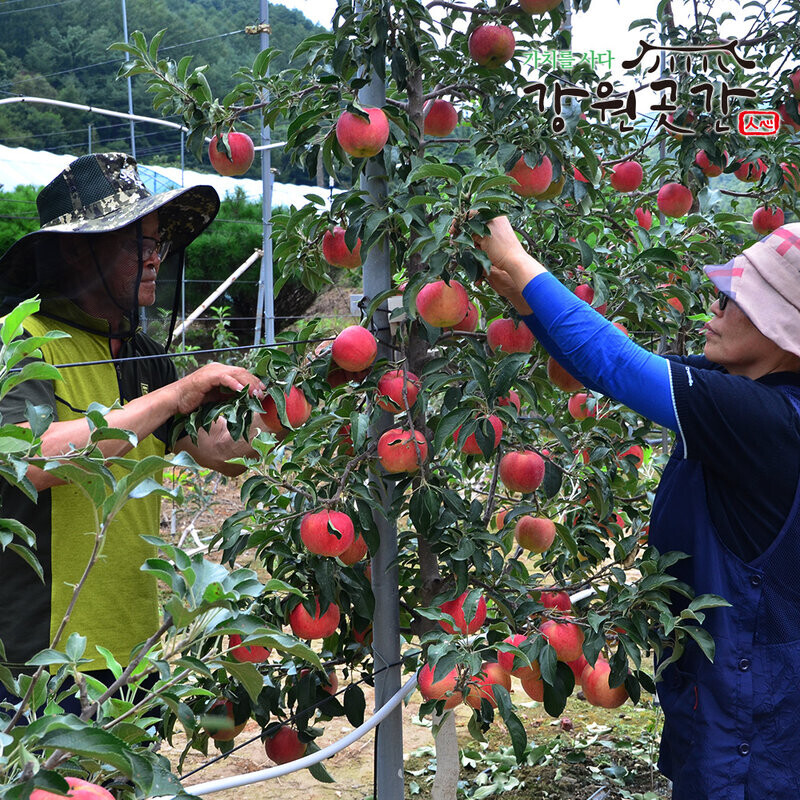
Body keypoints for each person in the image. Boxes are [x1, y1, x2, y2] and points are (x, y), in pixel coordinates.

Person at [473, 215, 800, 799]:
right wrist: (526, 301)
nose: (715, 310)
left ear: (783, 331)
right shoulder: (751, 400)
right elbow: (603, 367)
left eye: (734, 300)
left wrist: (524, 264)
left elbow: (618, 365)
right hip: (733, 697)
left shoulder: (760, 421)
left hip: (753, 721)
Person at [0, 153, 267, 712]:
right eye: (136, 243)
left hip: (132, 655)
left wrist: (298, 397)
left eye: (158, 245)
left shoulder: (142, 357)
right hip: (43, 659)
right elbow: (30, 460)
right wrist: (173, 395)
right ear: (79, 248)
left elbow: (224, 453)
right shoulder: (23, 342)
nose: (154, 259)